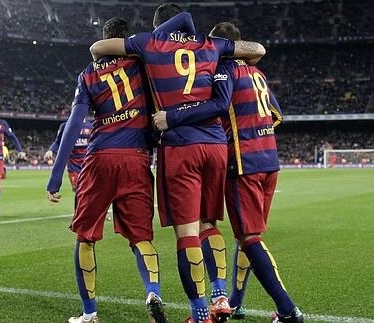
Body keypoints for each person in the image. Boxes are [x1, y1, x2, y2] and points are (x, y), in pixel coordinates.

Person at [89, 4, 266, 323]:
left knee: (187, 234)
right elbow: (256, 49)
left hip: (180, 146)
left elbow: (99, 47)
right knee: (209, 225)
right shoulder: (209, 44)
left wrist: (149, 42)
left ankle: (199, 314)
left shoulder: (149, 43)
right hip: (215, 145)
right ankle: (220, 296)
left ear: (157, 25)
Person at [153, 22, 304, 323]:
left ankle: (287, 311)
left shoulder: (226, 69)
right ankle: (234, 302)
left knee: (248, 237)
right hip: (269, 160)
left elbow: (217, 107)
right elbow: (275, 115)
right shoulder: (256, 73)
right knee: (246, 235)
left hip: (243, 162)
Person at [47, 17, 166, 323]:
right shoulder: (144, 66)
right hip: (137, 158)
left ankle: (90, 313)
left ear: (104, 41)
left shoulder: (88, 74)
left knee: (85, 238)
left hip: (99, 157)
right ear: (125, 40)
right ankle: (153, 292)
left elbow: (74, 125)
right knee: (142, 238)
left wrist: (56, 176)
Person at [43, 119, 93, 191]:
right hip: (73, 165)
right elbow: (58, 142)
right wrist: (51, 150)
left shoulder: (91, 126)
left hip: (88, 164)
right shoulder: (65, 126)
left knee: (89, 191)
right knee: (79, 191)